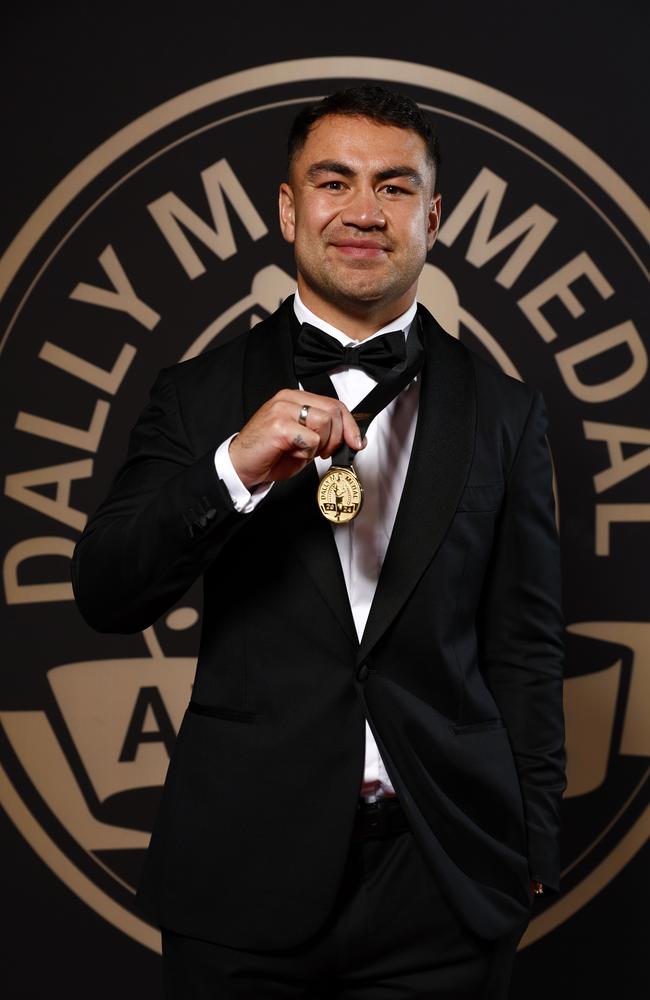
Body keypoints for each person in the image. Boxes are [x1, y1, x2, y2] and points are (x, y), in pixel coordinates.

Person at [71, 85, 566, 999]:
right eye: (333, 182)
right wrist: (233, 469)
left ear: (434, 216)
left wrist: (531, 844)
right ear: (290, 209)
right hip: (239, 872)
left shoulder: (506, 411)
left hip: (444, 877)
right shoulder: (197, 394)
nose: (364, 213)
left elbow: (526, 647)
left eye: (394, 187)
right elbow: (107, 593)